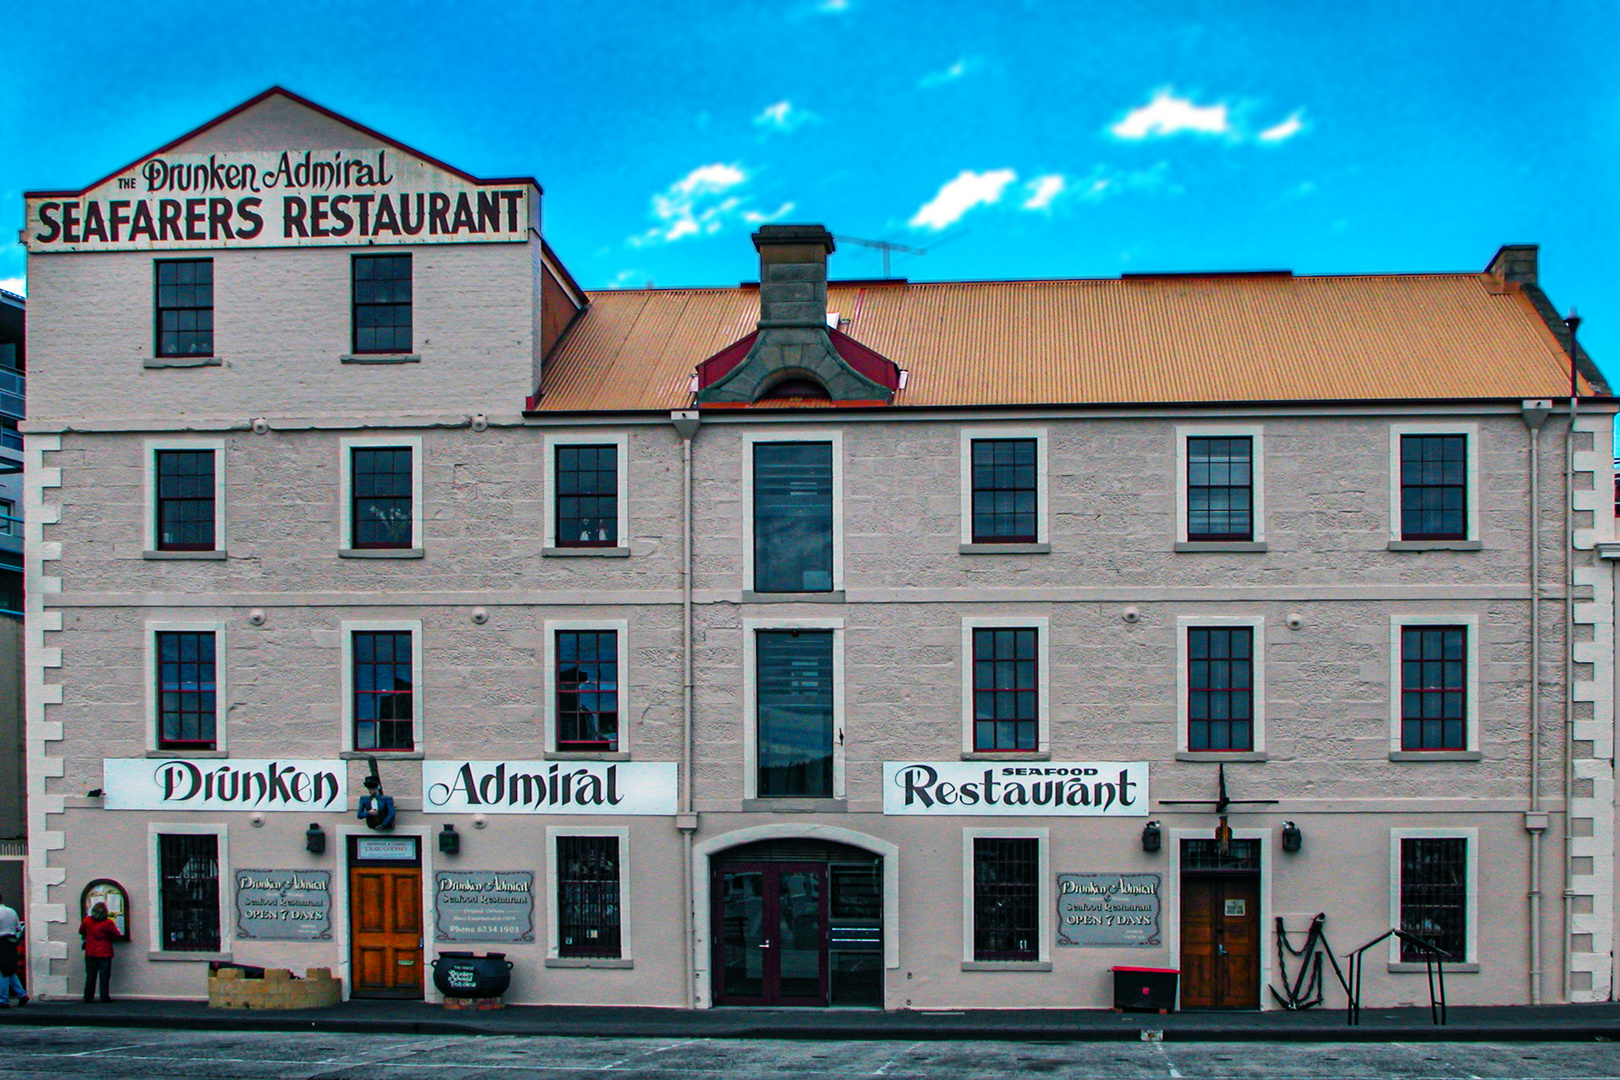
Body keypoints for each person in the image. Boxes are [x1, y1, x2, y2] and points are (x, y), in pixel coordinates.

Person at [79, 901, 118, 1003]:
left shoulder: (87, 921)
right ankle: (104, 996)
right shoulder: (108, 923)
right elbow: (116, 934)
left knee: (91, 974)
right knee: (104, 975)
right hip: (105, 951)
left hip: (91, 951)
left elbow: (81, 931)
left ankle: (88, 996)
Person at [0, 891, 24, 1007]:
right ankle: (22, 994)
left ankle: (3, 1000)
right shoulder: (11, 911)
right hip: (12, 942)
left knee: (2, 972)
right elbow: (19, 928)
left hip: (1, 943)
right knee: (9, 970)